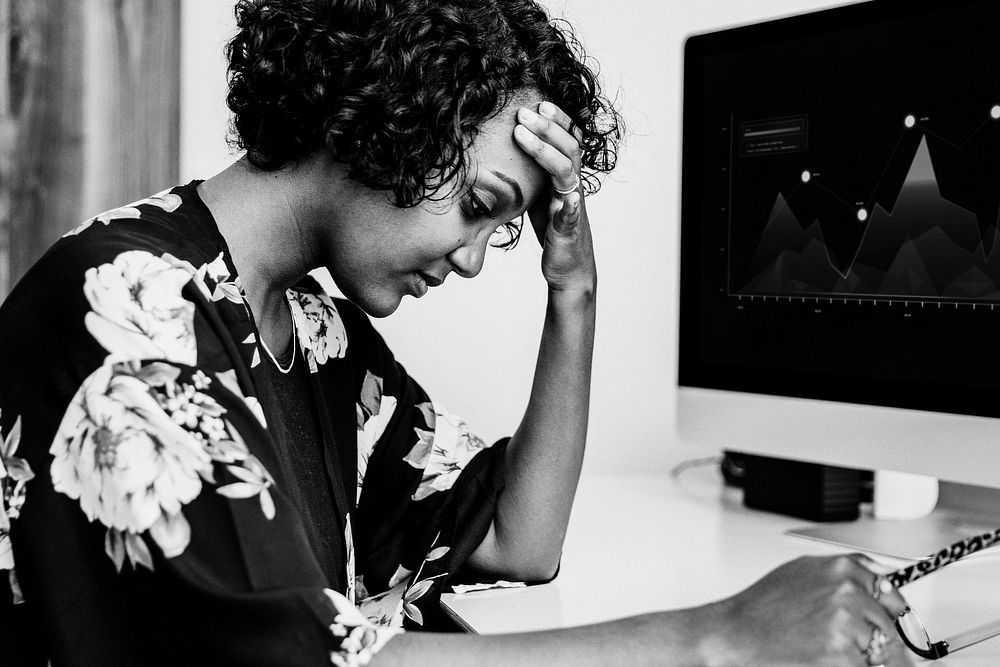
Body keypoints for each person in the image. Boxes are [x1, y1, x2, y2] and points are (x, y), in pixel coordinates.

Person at [0, 0, 914, 664]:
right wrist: (723, 636)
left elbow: (523, 536)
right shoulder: (129, 308)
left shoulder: (313, 334)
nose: (476, 260)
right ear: (388, 118)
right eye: (480, 206)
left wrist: (574, 286)